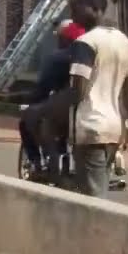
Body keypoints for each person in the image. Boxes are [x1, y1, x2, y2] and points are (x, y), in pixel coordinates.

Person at [64, 0, 128, 198]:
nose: (72, 13)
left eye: (76, 7)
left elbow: (78, 91)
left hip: (90, 128)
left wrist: (55, 111)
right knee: (98, 191)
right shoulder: (127, 44)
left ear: (95, 9)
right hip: (114, 130)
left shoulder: (85, 43)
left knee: (92, 201)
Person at [19, 19, 85, 178]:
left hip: (65, 108)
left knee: (28, 119)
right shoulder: (94, 55)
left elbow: (42, 88)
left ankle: (39, 162)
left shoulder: (58, 58)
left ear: (64, 39)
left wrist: (30, 102)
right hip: (95, 109)